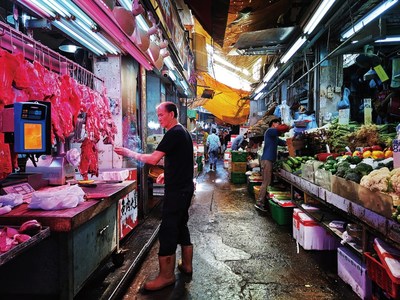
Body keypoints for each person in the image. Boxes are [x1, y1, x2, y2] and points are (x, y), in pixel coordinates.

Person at [114, 102, 195, 291]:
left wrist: (129, 153)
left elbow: (152, 159)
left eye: (161, 115)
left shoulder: (174, 132)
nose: (158, 119)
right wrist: (168, 173)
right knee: (181, 223)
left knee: (168, 229)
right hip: (184, 187)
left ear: (172, 114)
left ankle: (166, 276)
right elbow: (182, 159)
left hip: (177, 191)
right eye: (157, 115)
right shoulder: (182, 132)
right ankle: (187, 265)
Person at [255, 119, 287, 211]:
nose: (279, 124)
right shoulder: (270, 131)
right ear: (273, 124)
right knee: (266, 182)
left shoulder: (274, 137)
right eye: (278, 123)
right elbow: (279, 130)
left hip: (269, 160)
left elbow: (284, 143)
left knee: (268, 182)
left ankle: (264, 202)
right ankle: (260, 203)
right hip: (267, 160)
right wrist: (289, 126)